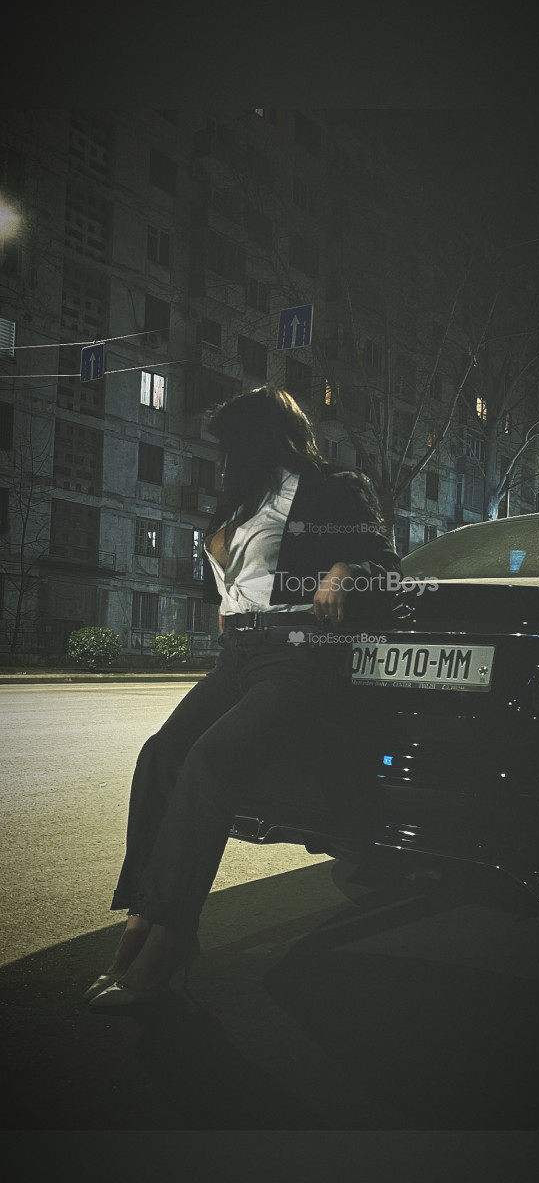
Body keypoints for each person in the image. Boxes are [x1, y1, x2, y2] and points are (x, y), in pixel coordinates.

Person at [85, 386, 401, 1011]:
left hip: (297, 653)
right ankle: (141, 920)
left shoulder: (332, 488)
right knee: (160, 757)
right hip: (237, 656)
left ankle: (168, 940)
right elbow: (234, 585)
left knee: (209, 764)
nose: (225, 454)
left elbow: (386, 566)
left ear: (264, 436)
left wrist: (345, 570)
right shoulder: (239, 498)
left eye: (233, 441)